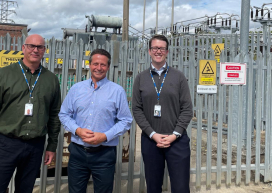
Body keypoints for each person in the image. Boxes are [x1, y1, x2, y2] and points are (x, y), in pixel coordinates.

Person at [0, 34, 61, 193]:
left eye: (40, 47)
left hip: (35, 146)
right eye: (31, 46)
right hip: (6, 144)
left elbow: (54, 115)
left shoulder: (51, 80)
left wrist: (52, 146)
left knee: (25, 189)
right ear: (23, 48)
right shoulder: (4, 75)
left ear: (44, 51)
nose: (35, 50)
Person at [59, 48, 132, 193]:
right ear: (89, 64)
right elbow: (64, 114)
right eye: (95, 64)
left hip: (104, 154)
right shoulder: (76, 89)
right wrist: (77, 130)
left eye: (103, 65)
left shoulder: (117, 91)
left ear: (108, 67)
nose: (99, 68)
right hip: (78, 153)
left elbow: (126, 120)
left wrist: (105, 136)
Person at [132, 35, 193, 193]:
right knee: (153, 187)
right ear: (149, 51)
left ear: (167, 51)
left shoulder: (178, 77)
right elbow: (137, 109)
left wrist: (174, 134)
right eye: (155, 48)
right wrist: (152, 134)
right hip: (151, 141)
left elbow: (187, 109)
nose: (158, 51)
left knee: (180, 188)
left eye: (161, 48)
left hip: (177, 141)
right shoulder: (141, 78)